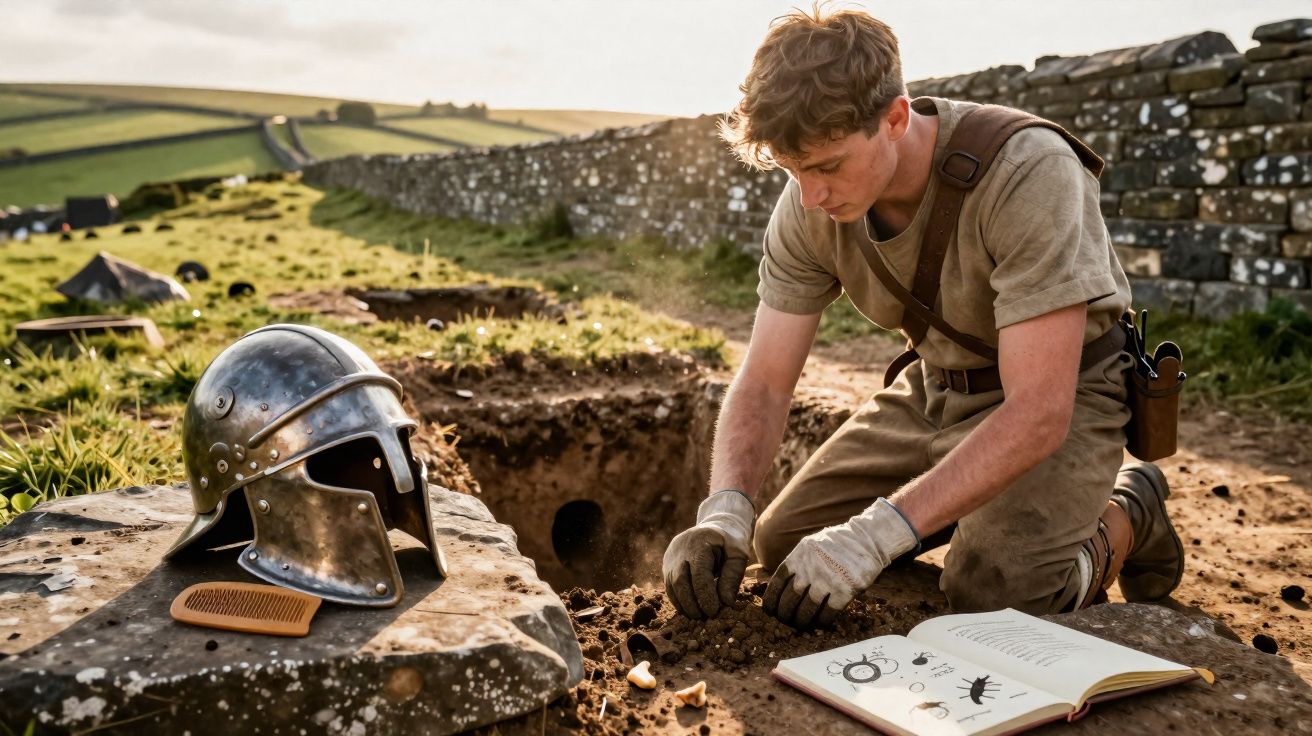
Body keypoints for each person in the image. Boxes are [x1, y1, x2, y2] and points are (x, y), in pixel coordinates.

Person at [661, 8, 1185, 628]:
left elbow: (1039, 410)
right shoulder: (809, 197)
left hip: (1064, 395)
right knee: (782, 548)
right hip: (937, 389)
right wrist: (725, 509)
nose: (809, 197)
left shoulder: (1027, 171)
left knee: (996, 596)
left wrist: (873, 537)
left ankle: (1129, 508)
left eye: (827, 166)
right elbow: (767, 380)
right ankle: (974, 512)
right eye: (790, 169)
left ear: (895, 118)